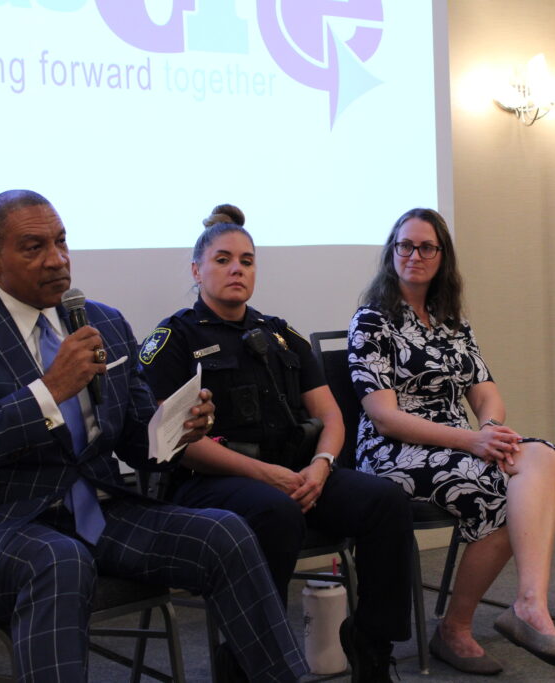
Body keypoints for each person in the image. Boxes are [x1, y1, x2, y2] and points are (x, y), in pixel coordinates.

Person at [0, 190, 307, 682]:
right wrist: (47, 392)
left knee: (225, 532)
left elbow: (139, 441)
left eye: (62, 241)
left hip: (97, 514)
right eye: (34, 247)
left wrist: (175, 431)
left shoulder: (103, 323)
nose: (57, 260)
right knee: (57, 560)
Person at [138, 204, 414, 683]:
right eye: (222, 259)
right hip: (209, 482)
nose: (236, 269)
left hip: (297, 476)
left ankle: (370, 643)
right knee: (274, 511)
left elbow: (330, 415)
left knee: (385, 500)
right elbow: (178, 444)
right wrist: (268, 475)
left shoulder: (281, 335)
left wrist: (322, 465)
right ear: (196, 269)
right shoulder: (173, 340)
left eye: (246, 260)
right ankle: (247, 659)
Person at [348, 208, 555, 675]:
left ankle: (529, 604)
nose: (414, 255)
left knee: (541, 457)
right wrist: (473, 441)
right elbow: (385, 417)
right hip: (393, 450)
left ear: (442, 256)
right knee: (501, 492)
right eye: (405, 245)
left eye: (426, 247)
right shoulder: (371, 321)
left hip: (459, 443)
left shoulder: (450, 319)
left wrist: (492, 428)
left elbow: (486, 390)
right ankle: (456, 629)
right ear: (391, 253)